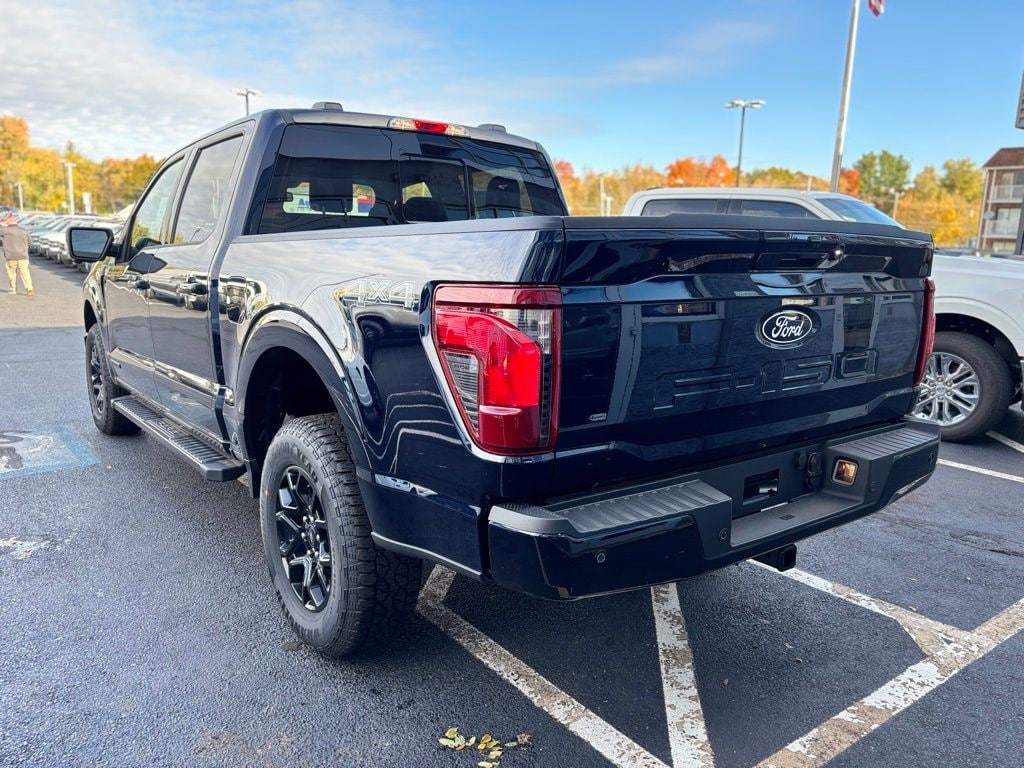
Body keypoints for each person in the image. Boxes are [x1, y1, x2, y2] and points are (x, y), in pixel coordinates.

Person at [1, 212, 33, 296]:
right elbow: (30, 242)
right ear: (16, 223)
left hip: (10, 256)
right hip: (23, 256)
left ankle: (13, 289)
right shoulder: (23, 231)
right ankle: (29, 288)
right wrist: (25, 249)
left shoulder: (4, 230)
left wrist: (2, 224)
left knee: (11, 273)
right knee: (25, 273)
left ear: (8, 223)